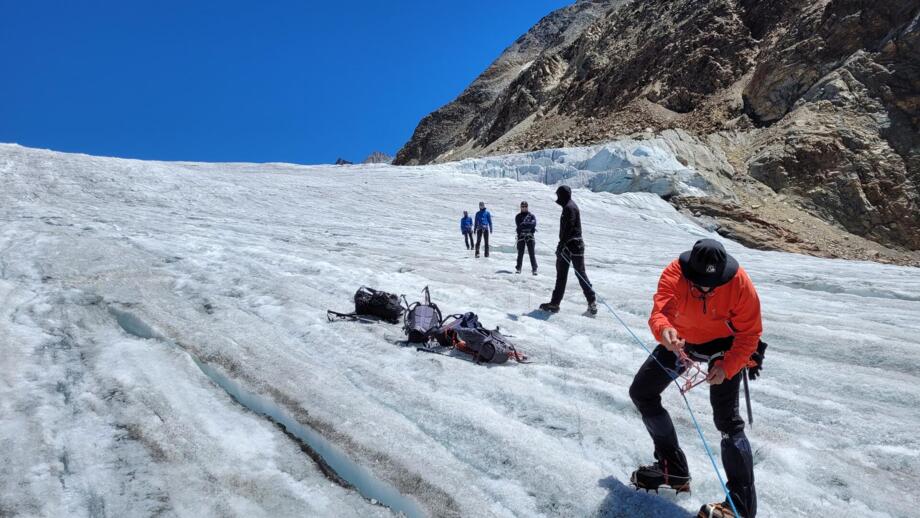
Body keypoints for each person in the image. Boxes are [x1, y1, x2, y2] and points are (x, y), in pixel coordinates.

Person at [629, 239, 761, 518]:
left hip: (724, 347)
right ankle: (673, 469)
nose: (706, 289)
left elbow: (750, 334)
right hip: (682, 341)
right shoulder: (673, 274)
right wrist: (664, 331)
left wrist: (728, 366)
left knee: (727, 422)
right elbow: (660, 313)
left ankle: (741, 507)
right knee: (642, 392)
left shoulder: (739, 283)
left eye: (712, 284)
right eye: (700, 283)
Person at [539, 185, 596, 314]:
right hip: (576, 245)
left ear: (563, 195)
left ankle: (555, 303)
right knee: (578, 273)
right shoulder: (571, 206)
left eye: (558, 195)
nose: (557, 198)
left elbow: (568, 228)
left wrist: (561, 245)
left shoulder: (569, 208)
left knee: (564, 275)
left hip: (570, 246)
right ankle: (591, 302)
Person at [514, 201, 538, 275]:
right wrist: (528, 225)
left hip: (530, 236)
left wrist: (525, 224)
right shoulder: (518, 216)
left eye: (525, 206)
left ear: (527, 207)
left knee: (531, 253)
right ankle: (518, 268)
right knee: (520, 253)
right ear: (521, 207)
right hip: (521, 236)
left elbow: (533, 224)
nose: (524, 208)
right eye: (523, 206)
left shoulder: (532, 216)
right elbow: (519, 225)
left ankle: (534, 269)